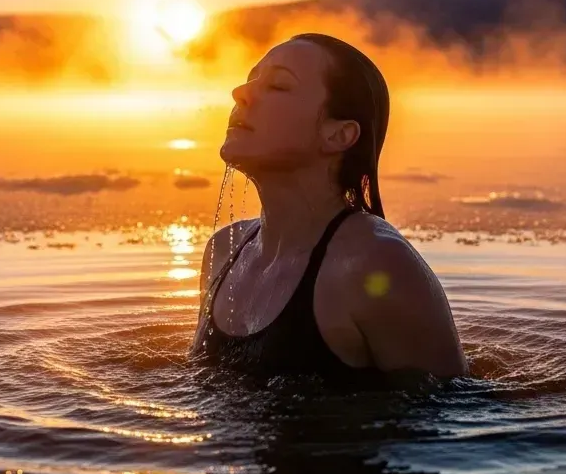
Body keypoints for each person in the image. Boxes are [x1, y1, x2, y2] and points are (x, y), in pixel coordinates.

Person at [190, 33, 467, 379]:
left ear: (339, 135)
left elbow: (449, 415)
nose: (240, 93)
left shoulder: (375, 265)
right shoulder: (223, 249)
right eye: (250, 80)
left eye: (277, 86)